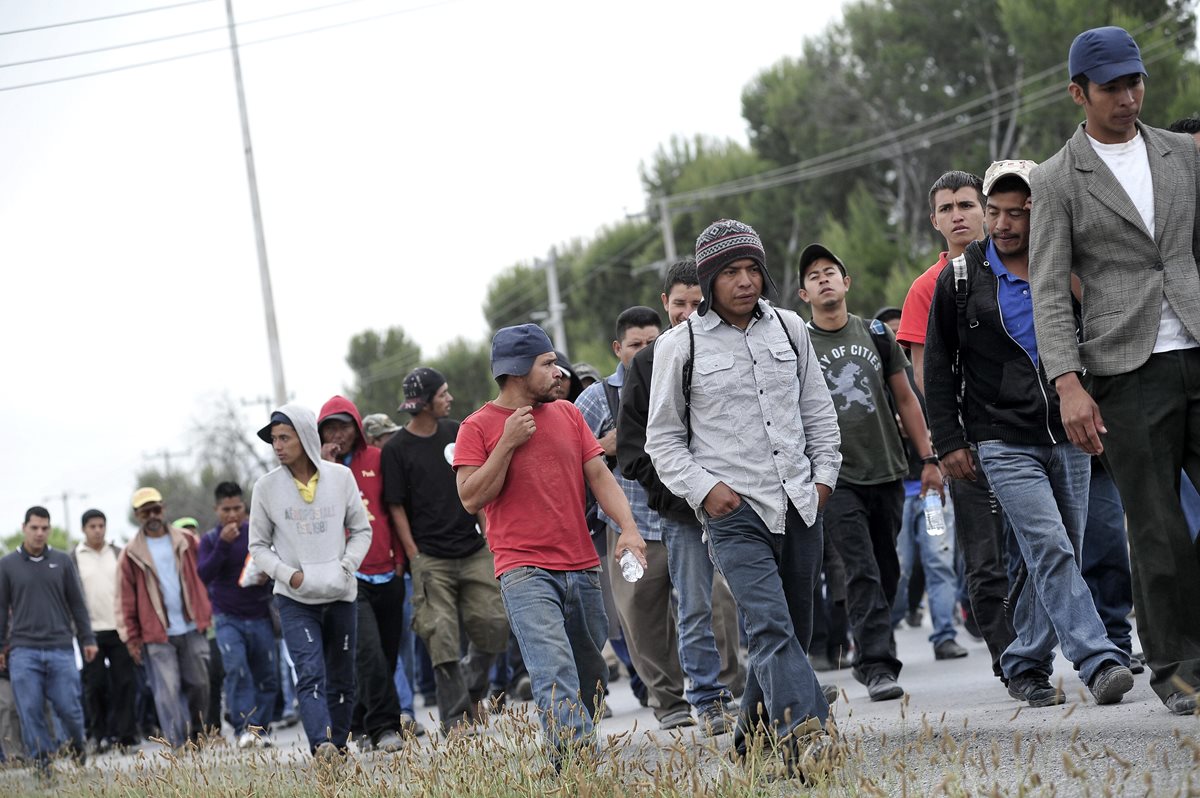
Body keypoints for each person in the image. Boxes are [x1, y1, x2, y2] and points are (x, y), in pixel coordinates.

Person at [1028, 26, 1200, 715]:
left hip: (1197, 342)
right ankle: (1177, 667)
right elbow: (1046, 289)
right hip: (1126, 369)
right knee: (1157, 529)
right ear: (1079, 93)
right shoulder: (1057, 178)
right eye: (1111, 88)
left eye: (1135, 83)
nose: (1128, 98)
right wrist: (1068, 384)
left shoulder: (1183, 155)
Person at [927, 159, 1135, 706]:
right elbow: (937, 369)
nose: (1002, 224)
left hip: (1069, 435)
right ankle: (1099, 659)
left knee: (1060, 549)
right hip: (1001, 437)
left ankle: (1023, 660)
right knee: (1050, 547)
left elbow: (1107, 335)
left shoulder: (1068, 268)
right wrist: (947, 442)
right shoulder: (961, 278)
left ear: (1039, 214)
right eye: (993, 211)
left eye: (1017, 214)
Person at [645, 219, 841, 773]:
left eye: (753, 269)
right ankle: (808, 733)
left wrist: (824, 478)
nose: (745, 280)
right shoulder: (677, 346)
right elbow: (662, 440)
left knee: (792, 631)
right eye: (731, 271)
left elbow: (818, 412)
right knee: (772, 626)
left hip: (802, 502)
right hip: (734, 512)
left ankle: (748, 748)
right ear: (709, 280)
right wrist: (707, 492)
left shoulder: (791, 329)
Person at [454, 323, 647, 764]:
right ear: (518, 370)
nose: (558, 372)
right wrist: (506, 444)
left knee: (589, 671)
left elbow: (599, 476)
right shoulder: (477, 427)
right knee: (553, 669)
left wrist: (629, 529)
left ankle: (572, 745)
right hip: (523, 571)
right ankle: (578, 763)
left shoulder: (567, 414)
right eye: (547, 364)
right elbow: (470, 498)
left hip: (582, 565)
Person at [799, 243, 946, 696]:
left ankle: (872, 648)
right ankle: (877, 662)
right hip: (835, 477)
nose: (823, 279)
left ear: (847, 283)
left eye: (831, 272)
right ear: (804, 294)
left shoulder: (877, 334)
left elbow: (906, 399)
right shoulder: (798, 345)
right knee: (859, 569)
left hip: (887, 470)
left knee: (888, 569)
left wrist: (929, 459)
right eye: (813, 276)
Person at [579, 305, 726, 732]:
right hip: (632, 527)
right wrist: (605, 447)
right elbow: (574, 458)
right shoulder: (595, 398)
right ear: (617, 348)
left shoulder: (679, 373)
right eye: (636, 344)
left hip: (689, 517)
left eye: (652, 341)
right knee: (642, 618)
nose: (645, 349)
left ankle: (723, 690)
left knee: (714, 608)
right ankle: (668, 700)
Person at [897, 170, 1016, 682]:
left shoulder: (1017, 265)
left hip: (1027, 430)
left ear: (984, 208)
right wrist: (949, 439)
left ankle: (1039, 642)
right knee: (984, 557)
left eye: (966, 204)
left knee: (1041, 548)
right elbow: (924, 374)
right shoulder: (926, 288)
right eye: (946, 209)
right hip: (968, 440)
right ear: (934, 220)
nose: (958, 215)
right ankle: (1010, 660)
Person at [617, 259, 746, 709]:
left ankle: (771, 688)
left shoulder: (730, 348)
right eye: (679, 304)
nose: (688, 312)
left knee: (751, 599)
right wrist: (678, 489)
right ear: (664, 303)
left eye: (697, 303)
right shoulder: (648, 363)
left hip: (738, 502)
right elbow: (633, 451)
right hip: (679, 512)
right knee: (693, 607)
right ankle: (706, 698)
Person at [382, 367, 509, 735]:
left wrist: (488, 536)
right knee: (441, 638)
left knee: (494, 623)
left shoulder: (458, 432)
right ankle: (455, 721)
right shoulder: (396, 450)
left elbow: (478, 484)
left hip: (473, 549)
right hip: (431, 559)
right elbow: (396, 508)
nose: (449, 399)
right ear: (423, 404)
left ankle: (471, 691)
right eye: (443, 394)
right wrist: (414, 555)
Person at [249, 404, 373, 760]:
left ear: (305, 438)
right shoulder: (265, 487)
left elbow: (361, 530)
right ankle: (321, 746)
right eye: (273, 439)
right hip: (295, 599)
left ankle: (339, 745)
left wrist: (346, 566)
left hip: (340, 593)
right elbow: (257, 546)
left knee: (342, 678)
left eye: (284, 438)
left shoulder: (340, 478)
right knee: (309, 672)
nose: (277, 446)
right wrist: (291, 575)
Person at [317, 396, 410, 751]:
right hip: (347, 577)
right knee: (368, 652)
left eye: (344, 426)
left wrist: (401, 560)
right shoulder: (316, 470)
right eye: (330, 428)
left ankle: (357, 723)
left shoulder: (378, 459)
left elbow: (394, 510)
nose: (338, 434)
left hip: (388, 570)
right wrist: (326, 467)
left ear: (357, 427)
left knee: (384, 656)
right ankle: (387, 727)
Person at [0, 507, 95, 772]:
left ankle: (77, 746)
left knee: (69, 709)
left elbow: (77, 604)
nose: (40, 533)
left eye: (45, 528)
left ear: (49, 530)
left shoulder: (62, 561)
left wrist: (88, 639)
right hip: (23, 650)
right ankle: (44, 764)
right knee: (30, 710)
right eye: (35, 527)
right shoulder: (7, 565)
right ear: (24, 528)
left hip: (60, 648)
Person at [116, 488, 212, 749]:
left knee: (199, 684)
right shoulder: (130, 553)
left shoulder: (188, 541)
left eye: (156, 509)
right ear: (137, 515)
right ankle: (178, 746)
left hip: (192, 625)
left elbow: (207, 573)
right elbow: (125, 598)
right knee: (166, 691)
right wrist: (132, 638)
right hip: (156, 633)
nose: (152, 515)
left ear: (164, 508)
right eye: (146, 511)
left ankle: (198, 735)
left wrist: (207, 609)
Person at [197, 482, 279, 748]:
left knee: (267, 675)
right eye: (226, 509)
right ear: (216, 509)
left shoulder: (257, 534)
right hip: (227, 617)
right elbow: (204, 575)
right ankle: (244, 728)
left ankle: (260, 730)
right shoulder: (211, 540)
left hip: (259, 614)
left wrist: (268, 576)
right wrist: (222, 545)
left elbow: (274, 565)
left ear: (245, 507)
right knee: (237, 670)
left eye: (238, 508)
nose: (232, 515)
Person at [72, 509, 138, 752]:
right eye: (92, 526)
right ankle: (100, 736)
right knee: (96, 685)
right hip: (90, 633)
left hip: (119, 629)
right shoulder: (74, 557)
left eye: (101, 525)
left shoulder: (118, 553)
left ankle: (126, 737)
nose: (98, 530)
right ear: (84, 529)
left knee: (125, 683)